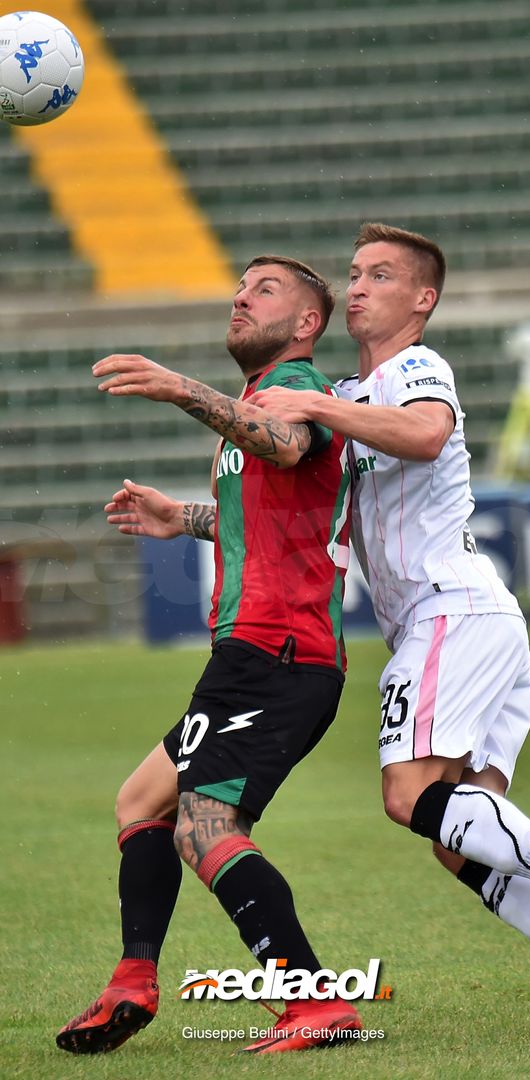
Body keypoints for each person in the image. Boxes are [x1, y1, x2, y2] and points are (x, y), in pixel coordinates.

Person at [250, 223, 530, 1032]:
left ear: (422, 300)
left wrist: (313, 401)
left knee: (411, 797)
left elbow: (429, 433)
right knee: (455, 835)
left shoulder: (416, 368)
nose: (358, 286)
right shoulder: (351, 399)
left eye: (381, 275)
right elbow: (303, 516)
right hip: (471, 621)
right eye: (355, 273)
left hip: (451, 611)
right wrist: (184, 516)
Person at [56, 255, 361, 1056]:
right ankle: (133, 980)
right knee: (141, 802)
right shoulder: (256, 400)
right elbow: (266, 512)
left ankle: (314, 1000)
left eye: (264, 290)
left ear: (304, 323)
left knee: (205, 824)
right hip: (254, 652)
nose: (239, 297)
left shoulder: (299, 386)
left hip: (280, 650)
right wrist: (180, 515)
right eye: (239, 286)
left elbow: (291, 446)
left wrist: (183, 388)